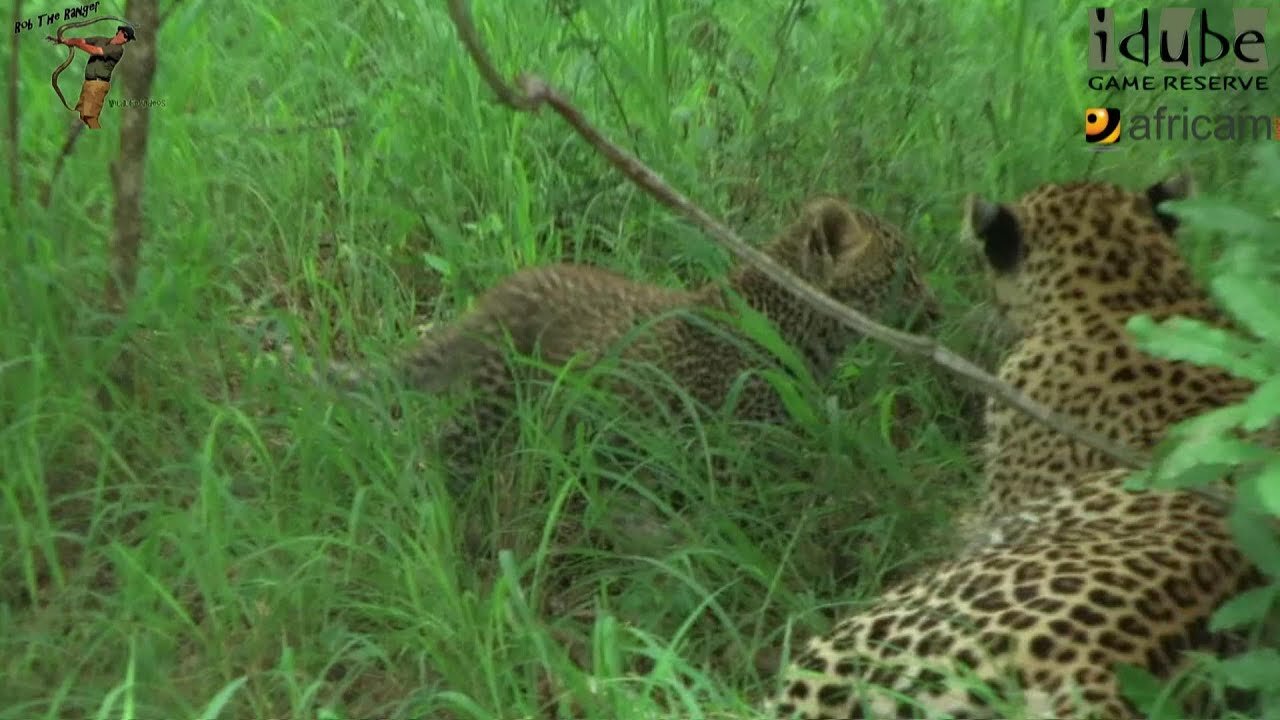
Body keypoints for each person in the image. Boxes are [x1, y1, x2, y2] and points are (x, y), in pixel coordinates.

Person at [46, 25, 136, 129]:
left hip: (98, 85)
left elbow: (96, 51)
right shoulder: (101, 39)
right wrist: (65, 40)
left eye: (128, 39)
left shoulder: (118, 50)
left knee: (90, 117)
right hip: (89, 83)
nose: (125, 39)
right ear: (119, 32)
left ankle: (96, 130)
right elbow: (82, 41)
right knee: (83, 115)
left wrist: (77, 44)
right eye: (125, 35)